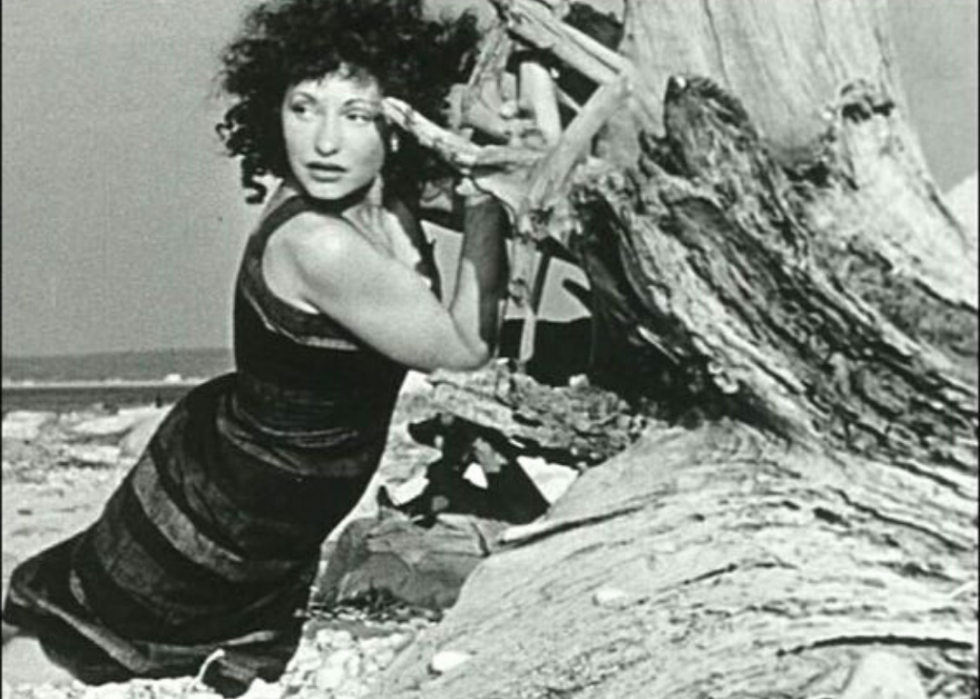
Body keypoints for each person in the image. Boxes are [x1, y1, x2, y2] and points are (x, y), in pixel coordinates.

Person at [1, 0, 554, 694]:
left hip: (249, 487)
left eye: (356, 114)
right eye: (303, 108)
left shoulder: (373, 202)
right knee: (77, 651)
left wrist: (516, 108)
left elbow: (521, 149)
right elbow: (464, 347)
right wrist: (486, 200)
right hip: (228, 503)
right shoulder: (316, 241)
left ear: (397, 120)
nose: (325, 142)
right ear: (273, 110)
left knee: (92, 634)